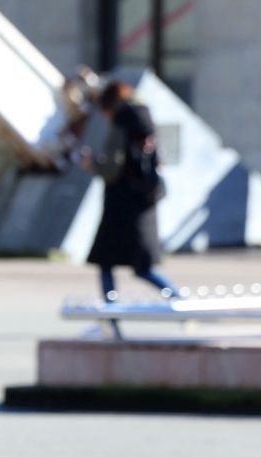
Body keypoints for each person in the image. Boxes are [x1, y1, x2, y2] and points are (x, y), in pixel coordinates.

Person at [79, 80, 178, 300]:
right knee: (143, 268)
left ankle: (110, 313)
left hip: (120, 206)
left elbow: (111, 168)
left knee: (106, 262)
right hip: (144, 203)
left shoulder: (121, 123)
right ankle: (179, 301)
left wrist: (92, 163)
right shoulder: (144, 121)